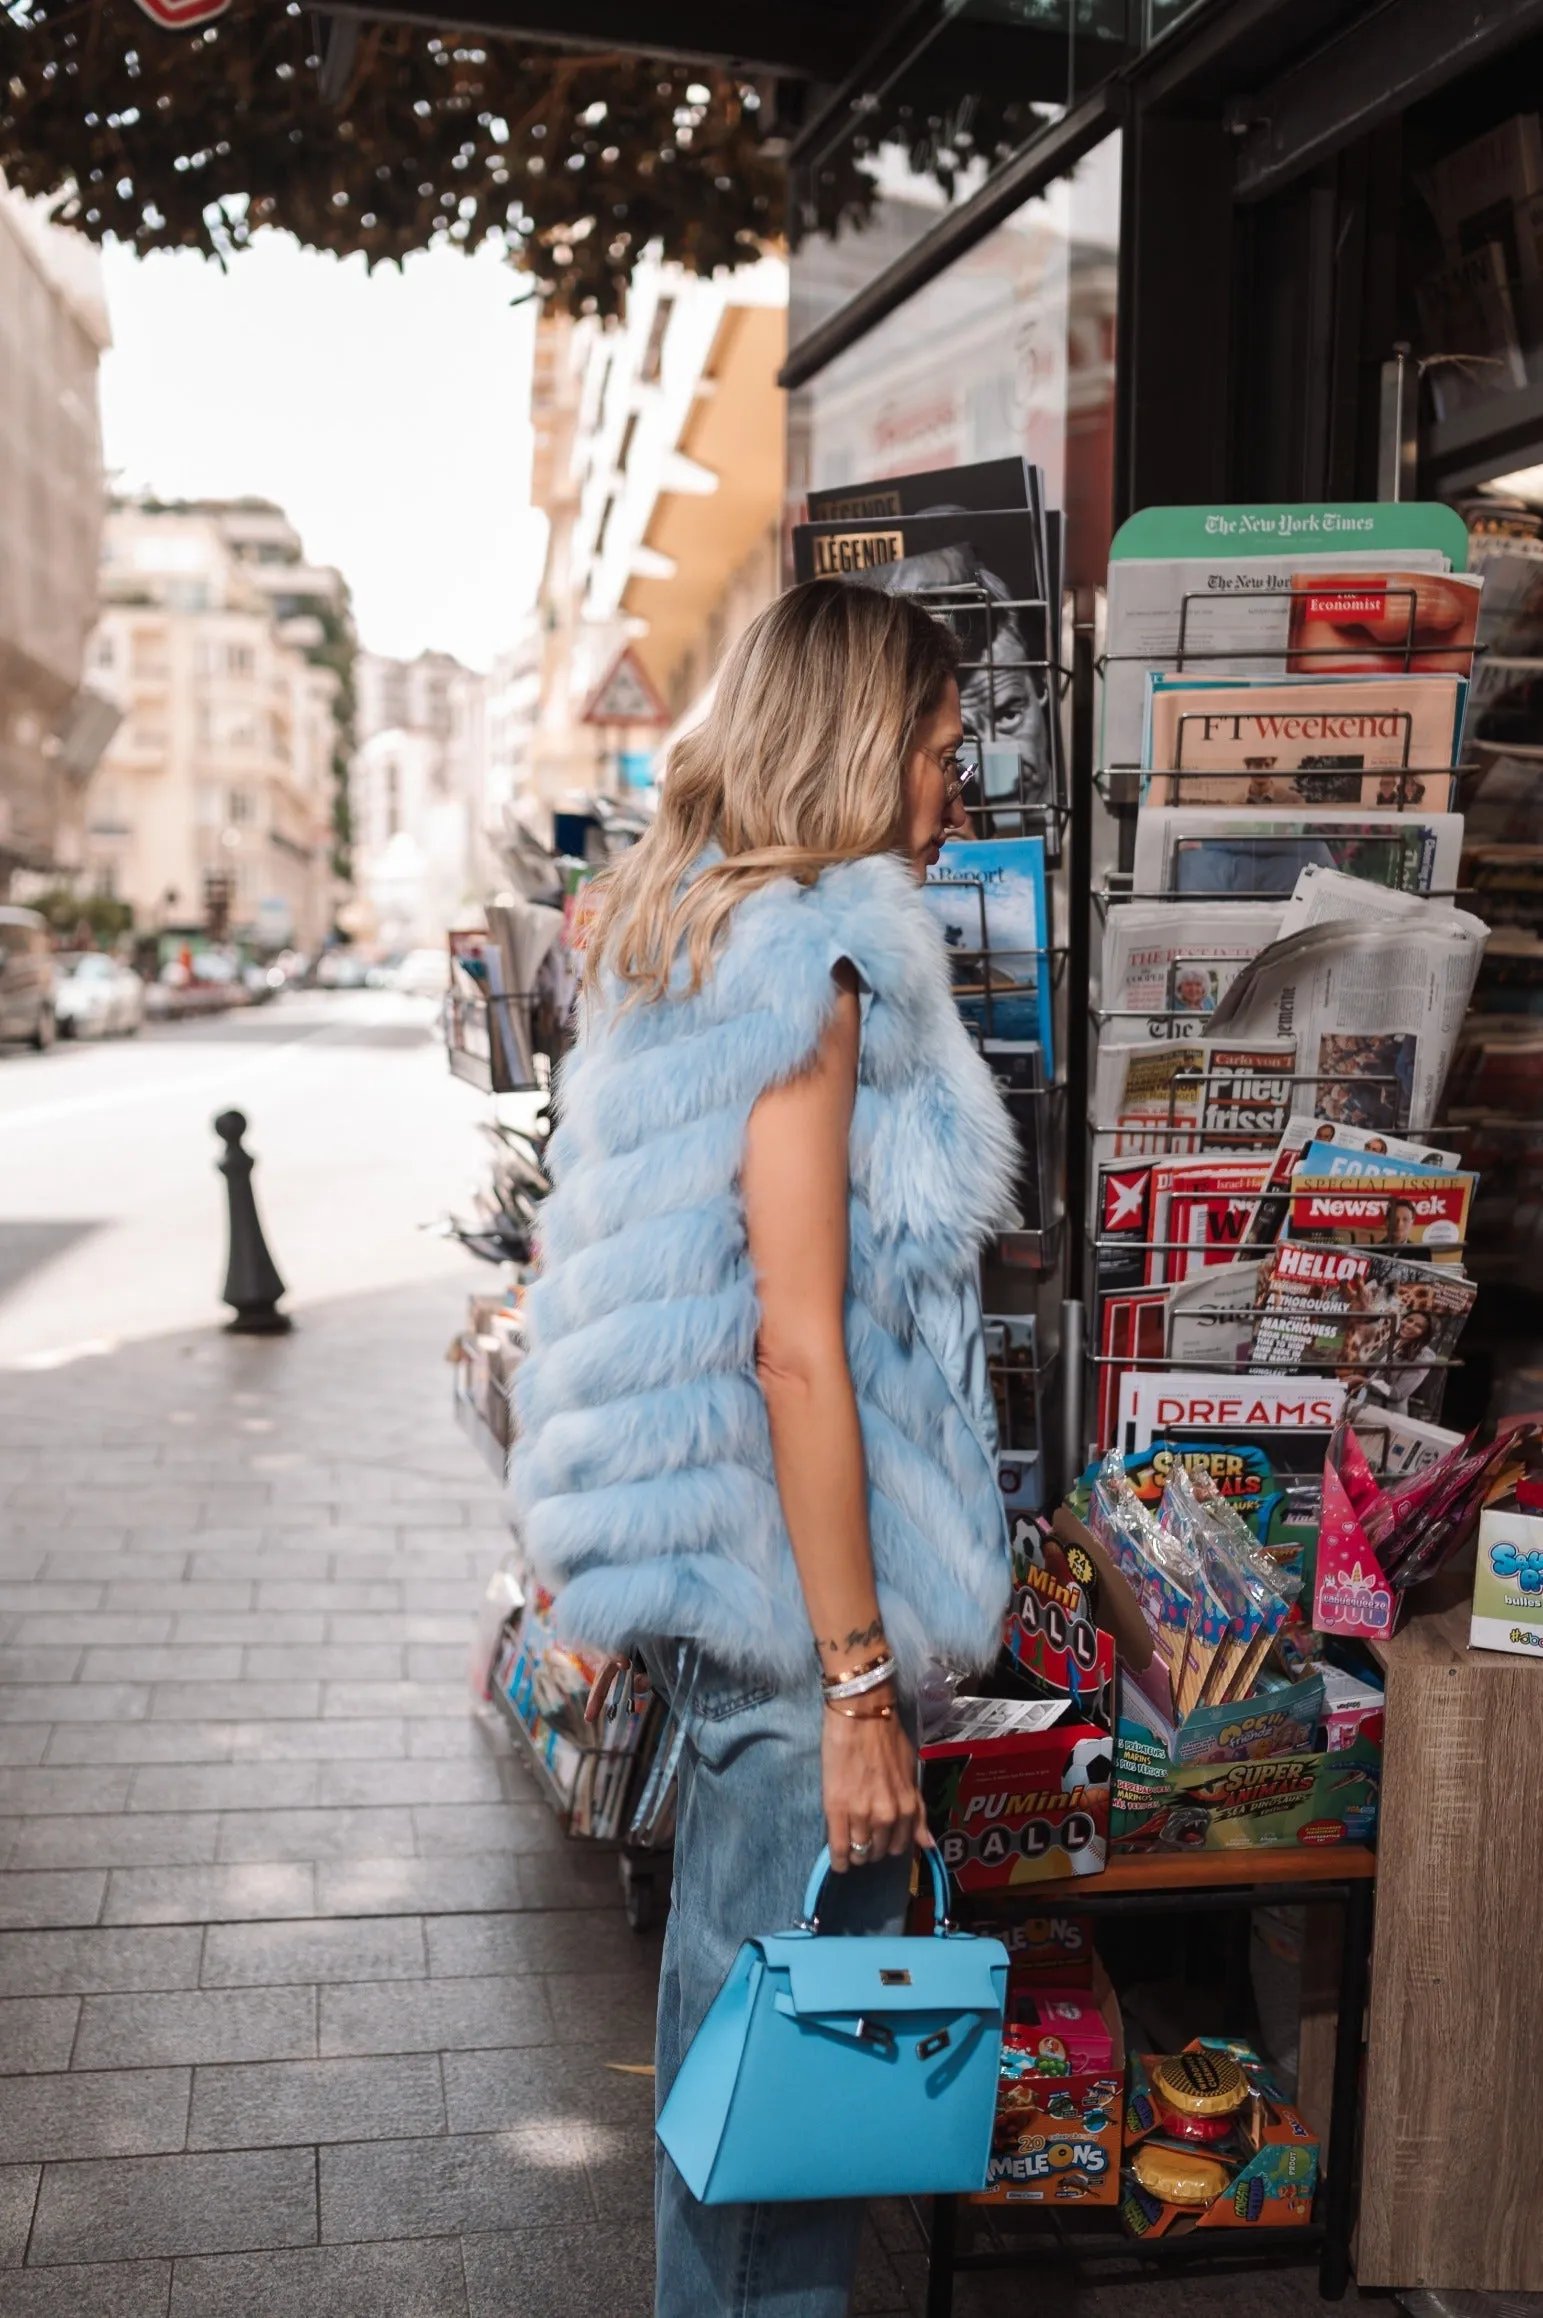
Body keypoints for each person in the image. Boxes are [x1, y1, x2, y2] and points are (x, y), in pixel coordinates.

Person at [509, 579, 1019, 2318]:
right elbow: (797, 1343)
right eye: (941, 754)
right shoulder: (814, 960)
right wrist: (861, 1683)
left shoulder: (685, 936)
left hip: (726, 1590)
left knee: (741, 2061)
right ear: (862, 749)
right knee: (785, 2099)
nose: (955, 791)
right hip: (801, 1620)